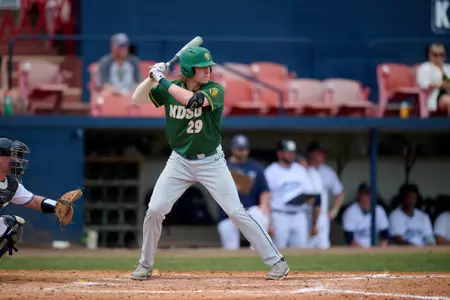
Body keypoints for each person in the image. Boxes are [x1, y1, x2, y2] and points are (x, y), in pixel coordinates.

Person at [130, 45, 288, 280]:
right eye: (202, 67)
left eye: (209, 66)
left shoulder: (215, 90)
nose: (208, 70)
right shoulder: (170, 88)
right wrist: (151, 77)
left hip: (211, 161)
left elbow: (192, 101)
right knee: (155, 210)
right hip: (179, 160)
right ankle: (145, 264)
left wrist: (162, 80)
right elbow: (137, 98)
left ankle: (277, 262)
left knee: (235, 212)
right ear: (187, 69)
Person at [0, 137, 81, 258]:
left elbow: (35, 201)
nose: (17, 160)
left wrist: (57, 207)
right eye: (13, 155)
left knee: (13, 226)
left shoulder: (11, 185)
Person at [217, 134, 271, 249]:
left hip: (249, 209)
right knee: (231, 249)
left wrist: (264, 205)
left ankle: (256, 251)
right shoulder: (223, 167)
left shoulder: (256, 167)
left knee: (260, 215)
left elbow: (264, 190)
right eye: (239, 148)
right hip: (228, 214)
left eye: (244, 148)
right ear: (233, 149)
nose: (242, 151)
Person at [264, 140, 320, 248]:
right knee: (279, 250)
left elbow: (309, 192)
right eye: (288, 152)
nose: (291, 155)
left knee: (301, 250)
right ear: (279, 153)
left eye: (293, 152)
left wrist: (308, 199)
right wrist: (269, 222)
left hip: (299, 214)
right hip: (279, 215)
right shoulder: (270, 171)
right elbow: (266, 198)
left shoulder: (300, 170)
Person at [306, 141, 344, 249]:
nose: (323, 156)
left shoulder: (328, 172)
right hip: (305, 215)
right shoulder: (302, 170)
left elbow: (340, 193)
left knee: (323, 247)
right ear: (311, 154)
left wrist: (333, 212)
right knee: (304, 247)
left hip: (322, 215)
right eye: (319, 153)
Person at [342, 183, 389, 248]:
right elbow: (350, 240)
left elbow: (385, 237)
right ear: (359, 195)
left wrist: (379, 251)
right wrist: (366, 252)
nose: (368, 198)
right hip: (357, 250)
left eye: (371, 194)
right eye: (366, 194)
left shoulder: (379, 210)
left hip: (376, 249)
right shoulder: (351, 212)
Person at [416, 43, 450, 115]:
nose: (439, 57)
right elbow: (424, 85)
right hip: (435, 96)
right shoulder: (425, 67)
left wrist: (442, 71)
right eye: (435, 54)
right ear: (429, 55)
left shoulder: (447, 67)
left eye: (441, 54)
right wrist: (440, 85)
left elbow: (448, 81)